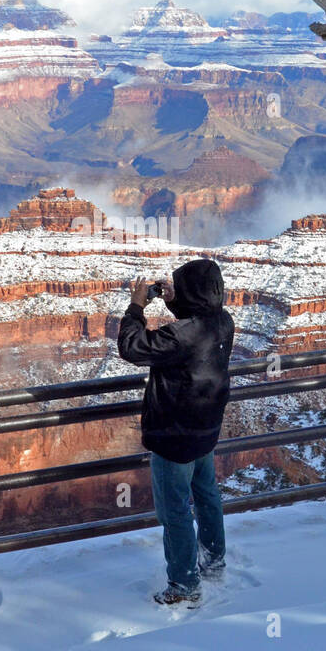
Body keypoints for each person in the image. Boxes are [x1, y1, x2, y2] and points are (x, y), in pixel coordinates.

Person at [117, 258, 235, 605]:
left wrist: (137, 305)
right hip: (205, 430)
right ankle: (213, 563)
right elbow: (195, 324)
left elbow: (132, 348)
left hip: (174, 436)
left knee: (175, 512)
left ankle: (184, 586)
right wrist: (173, 301)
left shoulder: (182, 335)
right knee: (208, 497)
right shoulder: (223, 321)